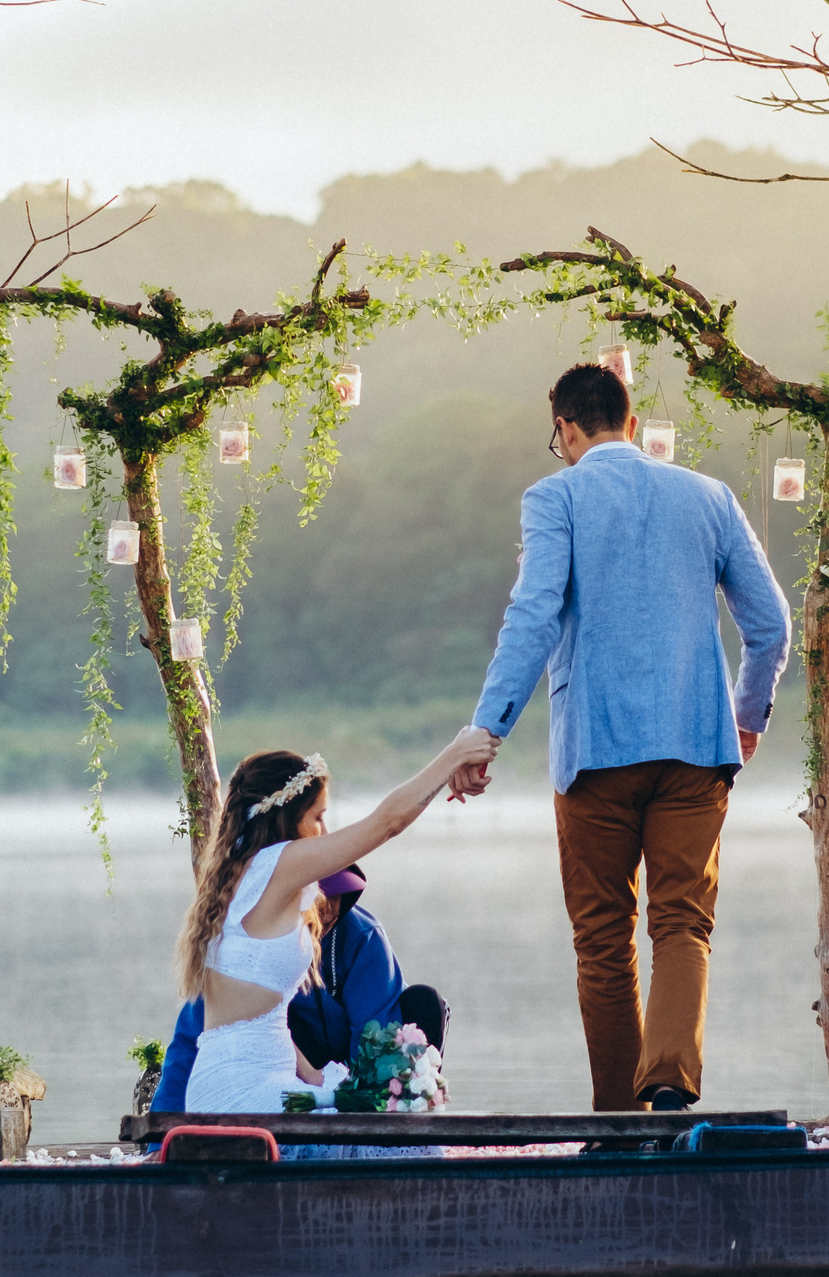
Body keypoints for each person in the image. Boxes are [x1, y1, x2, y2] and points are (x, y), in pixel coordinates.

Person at [459, 362, 791, 1112]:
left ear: (567, 430)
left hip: (594, 751)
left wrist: (489, 727)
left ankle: (619, 1117)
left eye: (560, 438)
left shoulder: (554, 497)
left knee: (603, 938)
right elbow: (770, 626)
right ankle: (671, 1076)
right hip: (696, 749)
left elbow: (534, 613)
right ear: (632, 424)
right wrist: (746, 717)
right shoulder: (710, 496)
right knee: (682, 922)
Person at [178, 734, 496, 1116]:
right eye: (317, 817)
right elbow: (386, 824)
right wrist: (454, 755)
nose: (325, 831)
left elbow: (252, 1020)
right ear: (284, 818)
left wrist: (313, 1076)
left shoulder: (236, 874)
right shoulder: (277, 864)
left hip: (234, 1085)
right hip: (244, 1096)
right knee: (393, 1147)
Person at [153, 862, 448, 1114]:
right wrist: (159, 1140)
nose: (331, 908)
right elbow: (191, 1040)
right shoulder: (245, 943)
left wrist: (354, 1100)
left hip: (346, 1060)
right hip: (278, 1062)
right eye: (321, 894)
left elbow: (373, 1040)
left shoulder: (362, 937)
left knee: (424, 1003)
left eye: (338, 894)